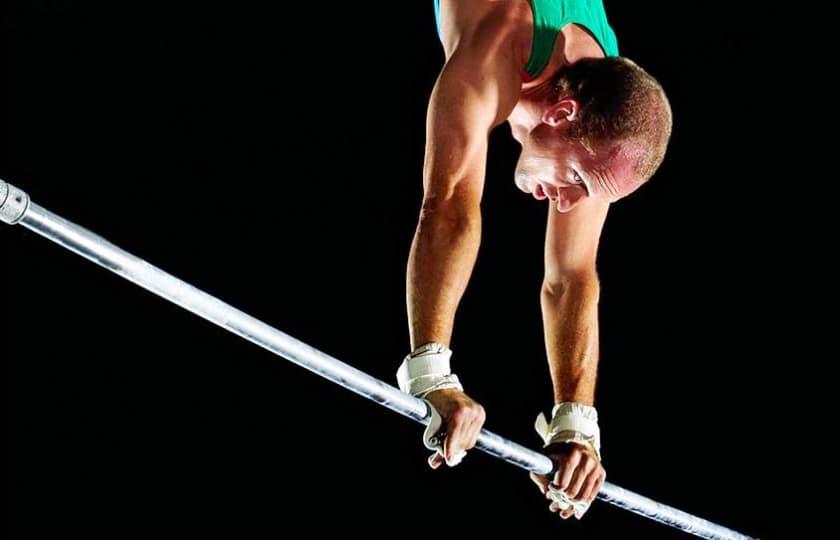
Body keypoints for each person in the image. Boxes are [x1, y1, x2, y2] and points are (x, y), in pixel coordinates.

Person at [396, 0, 672, 520]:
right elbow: (449, 207)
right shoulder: (496, 53)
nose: (569, 202)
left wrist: (577, 422)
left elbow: (571, 276)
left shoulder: (603, 107)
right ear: (561, 113)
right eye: (576, 182)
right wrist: (432, 374)